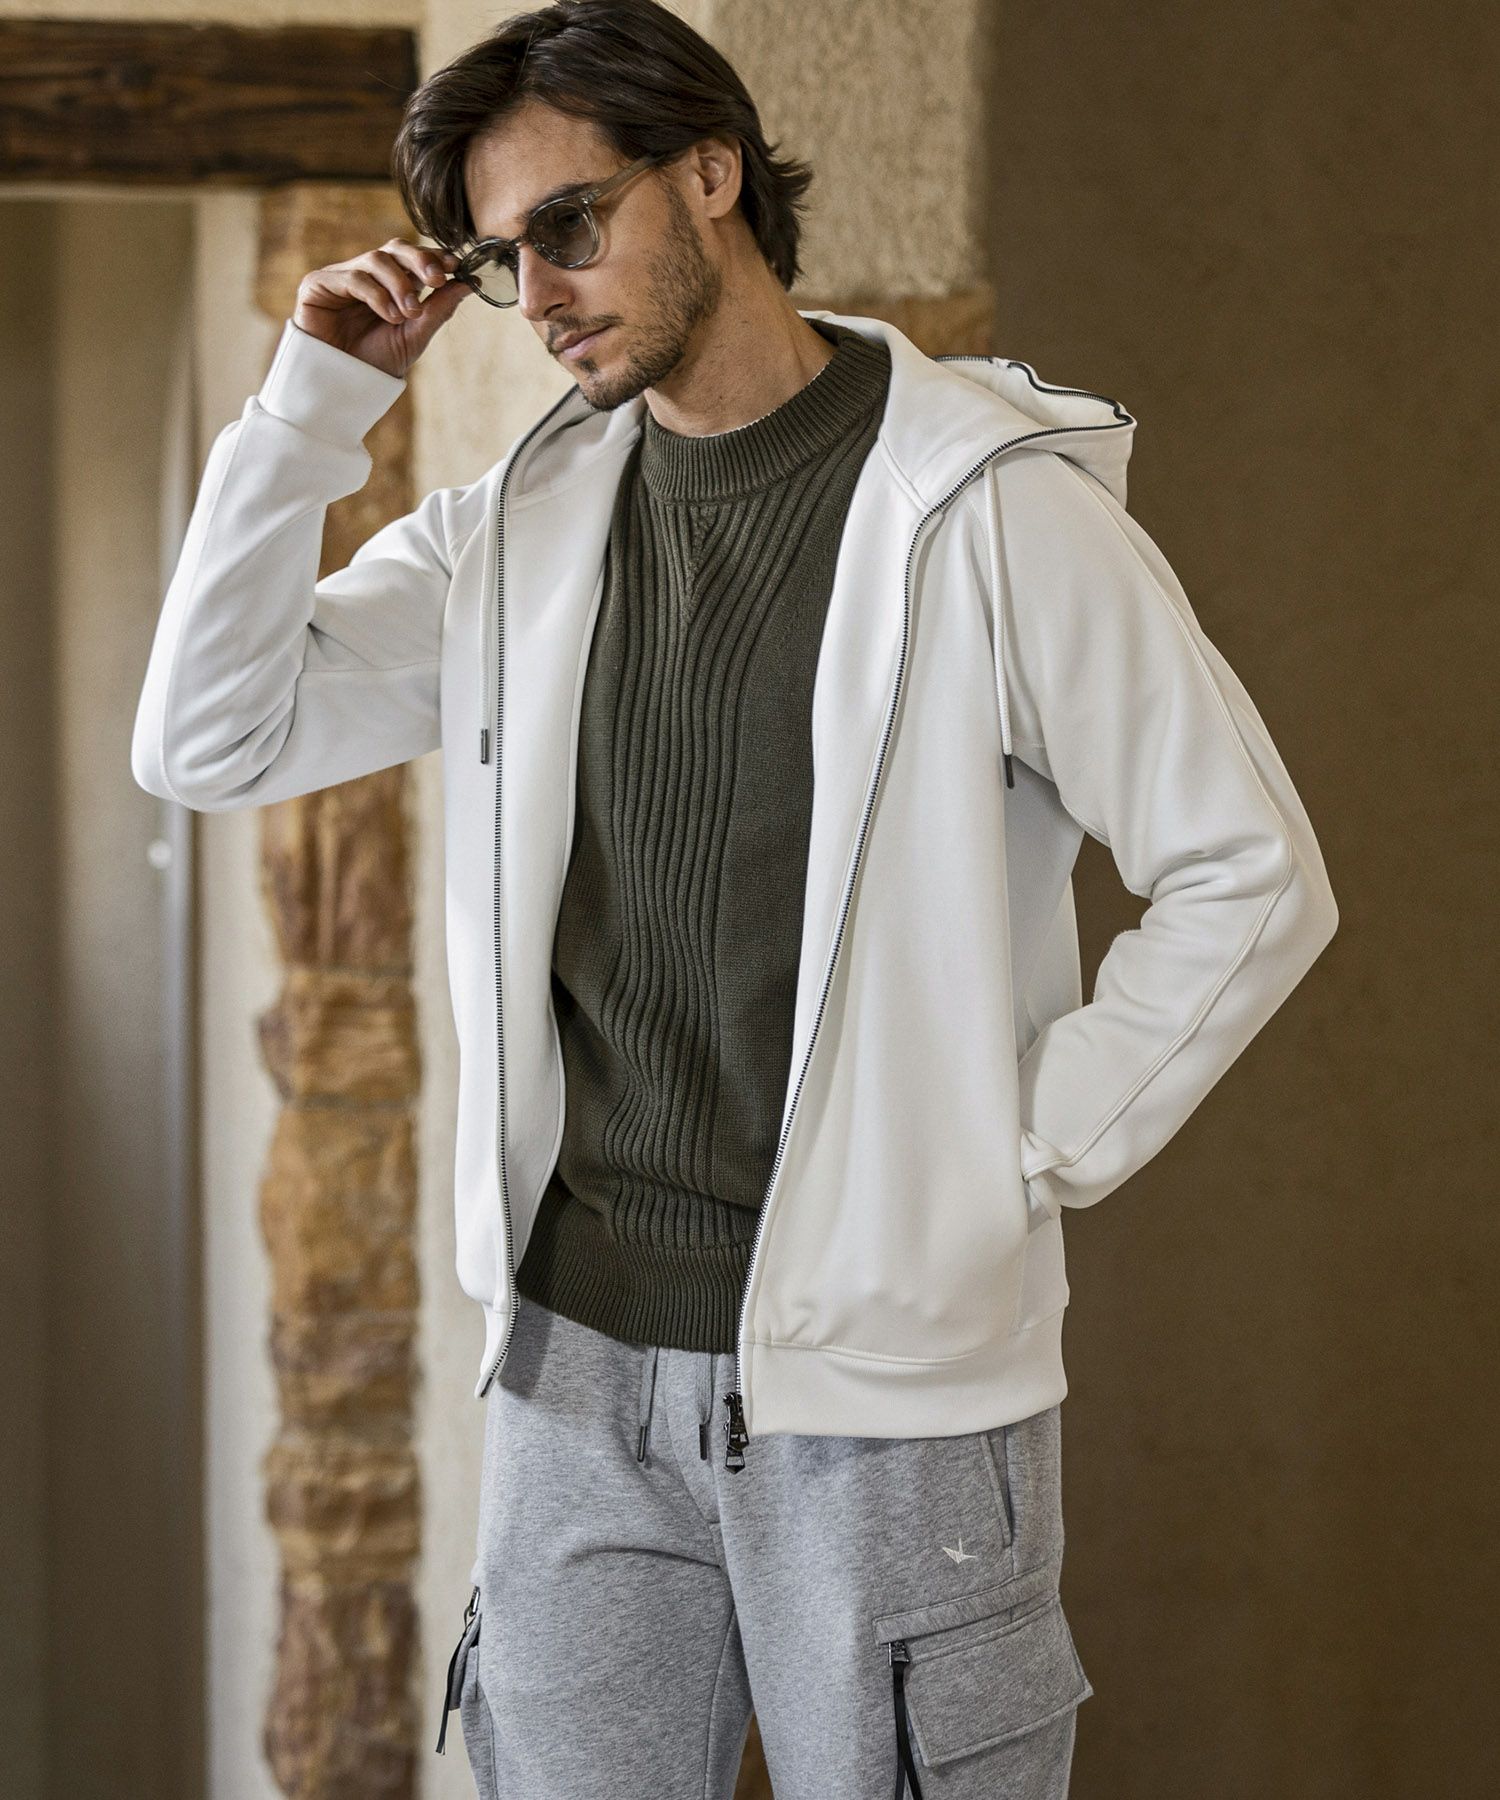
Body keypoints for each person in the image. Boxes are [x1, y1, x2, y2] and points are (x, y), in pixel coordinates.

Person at [130, 3, 1339, 1794]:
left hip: (887, 1394)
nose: (538, 297)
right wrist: (316, 408)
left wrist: (1015, 1152)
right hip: (570, 1374)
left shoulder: (984, 510)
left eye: (567, 224)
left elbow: (1249, 872)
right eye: (500, 258)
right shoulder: (515, 531)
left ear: (711, 174)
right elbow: (208, 737)